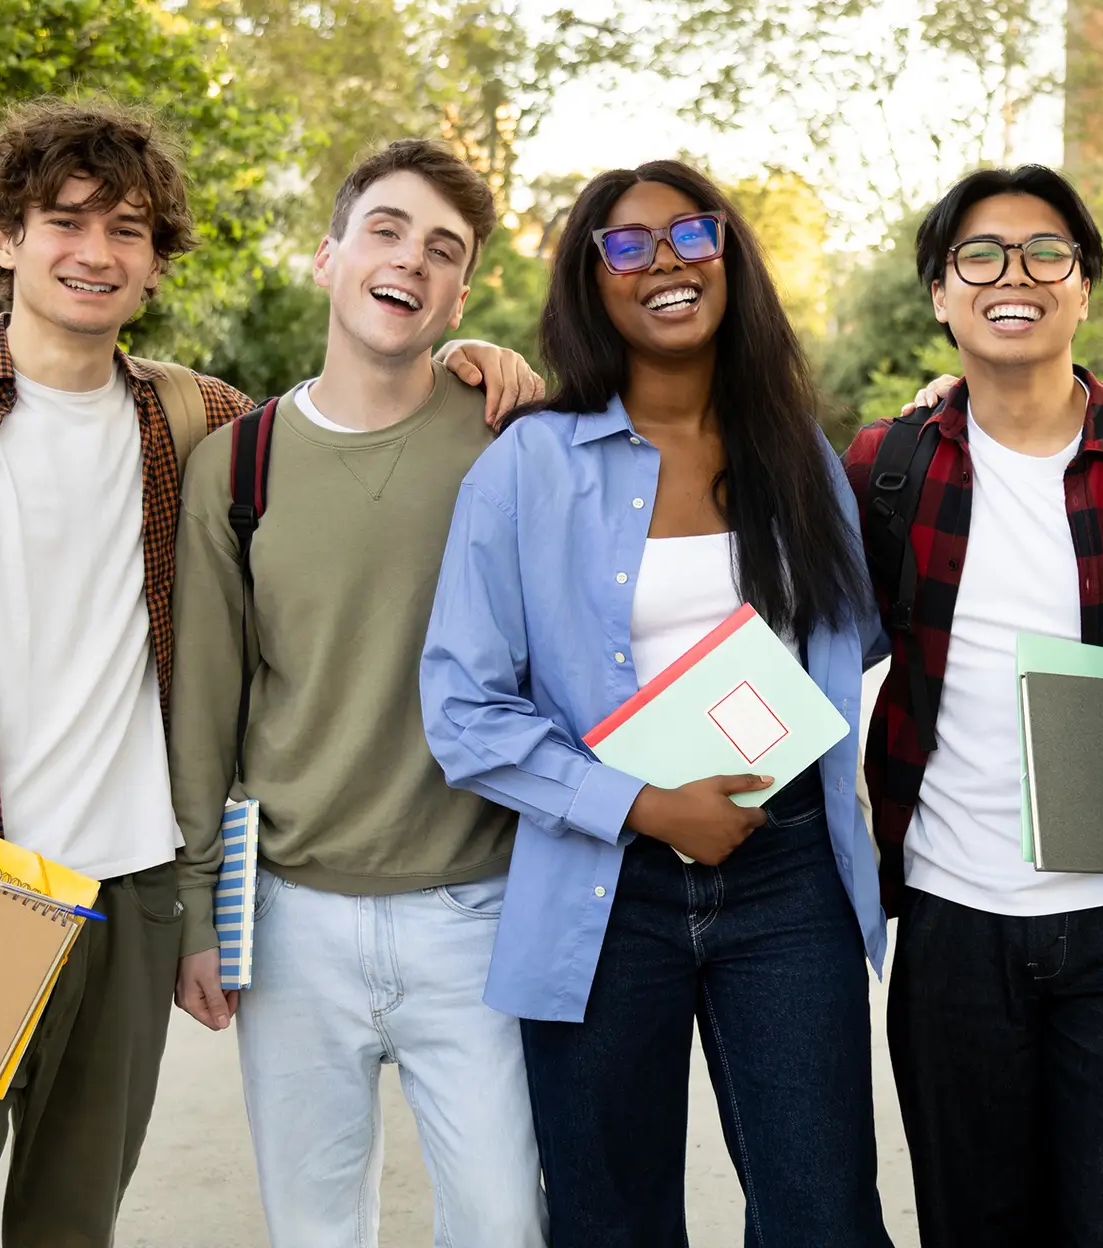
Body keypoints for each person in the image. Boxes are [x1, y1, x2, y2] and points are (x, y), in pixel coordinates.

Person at [0, 99, 529, 1247]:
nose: (96, 251)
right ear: (5, 237)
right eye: (65, 221)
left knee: (73, 1227)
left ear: (156, 263)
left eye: (128, 230)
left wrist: (480, 359)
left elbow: (354, 419)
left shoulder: (200, 426)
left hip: (126, 901)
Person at [420, 160, 894, 1248]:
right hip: (600, 886)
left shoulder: (799, 458)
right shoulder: (527, 467)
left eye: (692, 235)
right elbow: (462, 708)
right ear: (592, 284)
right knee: (608, 1221)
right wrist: (643, 802)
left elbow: (850, 636)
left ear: (731, 257)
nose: (666, 263)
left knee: (823, 1215)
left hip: (785, 880)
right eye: (626, 246)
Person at [843, 164, 1103, 1247]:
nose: (1011, 277)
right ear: (941, 294)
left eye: (1045, 254)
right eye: (978, 257)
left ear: (1083, 290)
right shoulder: (885, 468)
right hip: (949, 936)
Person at [168, 139, 547, 1248]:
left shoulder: (509, 440)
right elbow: (204, 709)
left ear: (461, 295)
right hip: (289, 922)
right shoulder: (236, 467)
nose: (409, 262)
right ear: (329, 257)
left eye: (442, 250)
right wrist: (200, 913)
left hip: (476, 912)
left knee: (502, 1226)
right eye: (385, 230)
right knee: (315, 1232)